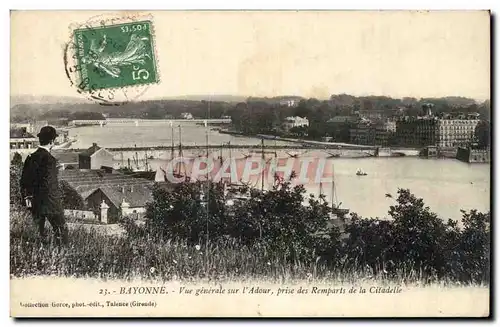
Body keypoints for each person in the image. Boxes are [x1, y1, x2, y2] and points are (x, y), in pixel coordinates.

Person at [20, 126, 68, 246]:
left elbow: (24, 180)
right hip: (50, 201)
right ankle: (62, 254)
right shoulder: (50, 159)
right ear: (52, 141)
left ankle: (39, 253)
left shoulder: (31, 157)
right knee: (61, 230)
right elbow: (50, 184)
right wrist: (57, 202)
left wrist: (27, 197)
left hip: (34, 202)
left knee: (38, 232)